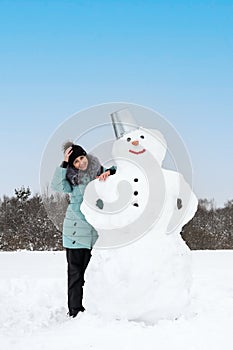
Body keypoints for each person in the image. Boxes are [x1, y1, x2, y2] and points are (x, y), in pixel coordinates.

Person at [51, 141, 117, 318]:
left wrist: (110, 173)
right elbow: (56, 186)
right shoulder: (70, 179)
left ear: (86, 155)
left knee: (95, 273)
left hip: (94, 233)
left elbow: (119, 170)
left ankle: (96, 307)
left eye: (81, 158)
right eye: (76, 162)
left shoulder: (98, 170)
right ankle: (75, 311)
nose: (81, 163)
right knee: (75, 275)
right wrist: (64, 163)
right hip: (75, 231)